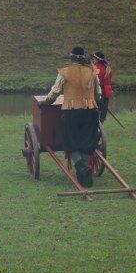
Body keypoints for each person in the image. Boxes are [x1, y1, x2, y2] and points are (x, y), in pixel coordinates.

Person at [42, 46, 102, 187]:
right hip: (90, 111)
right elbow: (98, 94)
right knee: (87, 142)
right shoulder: (92, 71)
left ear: (72, 59)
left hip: (72, 111)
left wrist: (46, 102)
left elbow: (55, 92)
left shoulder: (65, 72)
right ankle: (85, 173)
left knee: (69, 141)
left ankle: (81, 166)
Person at [91, 51, 114, 123]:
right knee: (102, 114)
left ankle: (97, 128)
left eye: (93, 59)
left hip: (98, 92)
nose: (93, 60)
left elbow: (94, 82)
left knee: (96, 113)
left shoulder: (96, 69)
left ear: (97, 59)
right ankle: (100, 127)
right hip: (106, 93)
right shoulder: (108, 68)